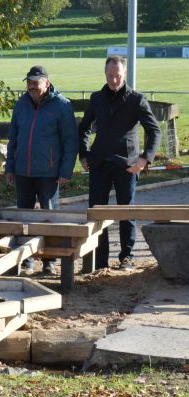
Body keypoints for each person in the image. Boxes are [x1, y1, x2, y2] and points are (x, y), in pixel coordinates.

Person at [78, 56, 161, 271]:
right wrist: (84, 154)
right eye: (110, 76)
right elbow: (84, 127)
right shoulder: (97, 98)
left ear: (124, 74)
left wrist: (145, 158)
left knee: (127, 212)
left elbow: (154, 130)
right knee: (97, 212)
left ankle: (127, 256)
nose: (114, 80)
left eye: (118, 76)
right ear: (105, 74)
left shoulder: (136, 99)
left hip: (128, 164)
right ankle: (99, 259)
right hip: (99, 164)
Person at [5, 66, 78, 275]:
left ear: (47, 82)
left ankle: (49, 261)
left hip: (48, 172)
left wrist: (66, 170)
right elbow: (14, 138)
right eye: (29, 83)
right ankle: (25, 259)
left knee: (49, 217)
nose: (32, 87)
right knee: (23, 220)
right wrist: (10, 165)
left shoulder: (62, 105)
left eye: (36, 83)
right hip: (22, 171)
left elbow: (70, 140)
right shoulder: (21, 104)